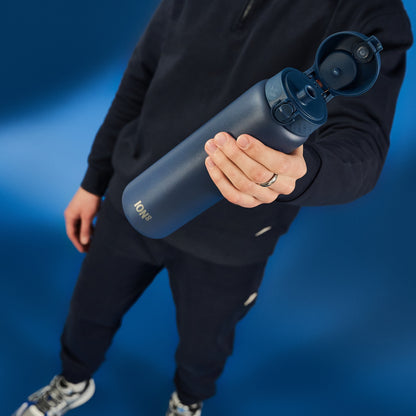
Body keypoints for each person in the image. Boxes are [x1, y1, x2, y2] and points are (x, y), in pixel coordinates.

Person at [13, 0, 412, 415]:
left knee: (205, 348)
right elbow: (140, 76)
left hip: (235, 234)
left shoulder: (371, 14)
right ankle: (72, 381)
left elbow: (363, 144)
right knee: (89, 311)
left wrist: (300, 173)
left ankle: (187, 402)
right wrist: (93, 182)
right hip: (138, 194)